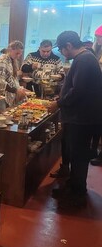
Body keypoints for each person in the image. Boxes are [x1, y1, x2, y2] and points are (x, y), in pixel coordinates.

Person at [48, 31, 102, 207]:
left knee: (79, 156)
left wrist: (59, 103)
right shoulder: (86, 57)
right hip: (81, 117)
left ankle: (77, 192)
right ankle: (73, 184)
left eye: (62, 49)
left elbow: (78, 90)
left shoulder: (84, 60)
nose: (63, 53)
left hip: (82, 119)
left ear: (69, 46)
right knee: (76, 154)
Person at [0, 40, 27, 107]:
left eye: (20, 54)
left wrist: (20, 89)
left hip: (8, 97)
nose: (18, 56)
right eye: (17, 53)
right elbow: (0, 83)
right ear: (10, 50)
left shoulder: (12, 61)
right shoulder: (2, 61)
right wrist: (16, 90)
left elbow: (13, 80)